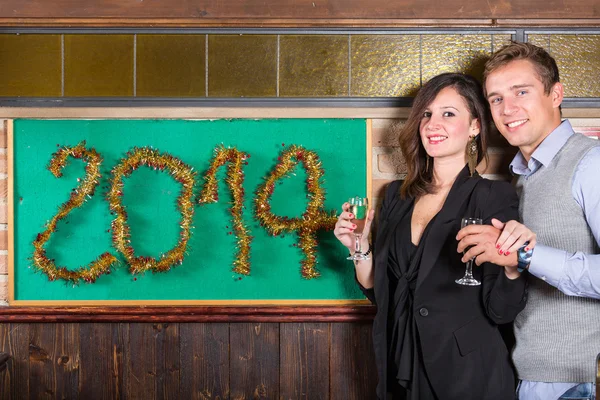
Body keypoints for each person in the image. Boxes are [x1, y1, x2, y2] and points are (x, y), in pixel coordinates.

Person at [334, 72, 528, 400]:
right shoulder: (396, 196)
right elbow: (383, 292)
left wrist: (513, 264)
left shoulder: (492, 196)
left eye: (448, 114)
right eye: (426, 114)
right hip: (401, 366)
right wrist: (359, 247)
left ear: (475, 127)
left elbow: (501, 311)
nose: (432, 124)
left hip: (470, 374)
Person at [457, 42, 600, 400]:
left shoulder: (590, 163)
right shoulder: (521, 178)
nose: (508, 109)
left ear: (556, 94)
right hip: (531, 375)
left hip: (579, 381)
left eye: (522, 91)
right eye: (496, 98)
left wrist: (524, 255)